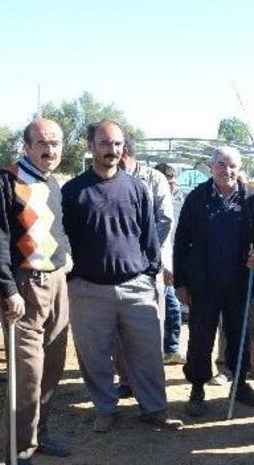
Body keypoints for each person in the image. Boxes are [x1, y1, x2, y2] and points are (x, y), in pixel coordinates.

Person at [62, 119, 181, 433]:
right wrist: (73, 279)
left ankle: (154, 409)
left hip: (136, 287)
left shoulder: (136, 188)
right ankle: (105, 409)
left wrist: (150, 272)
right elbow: (63, 239)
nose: (112, 150)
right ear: (90, 146)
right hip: (88, 290)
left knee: (148, 354)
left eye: (117, 144)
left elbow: (150, 236)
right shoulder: (72, 191)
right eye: (104, 143)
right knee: (94, 357)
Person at [0, 118, 73, 463]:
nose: (50, 150)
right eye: (43, 143)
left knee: (53, 366)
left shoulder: (52, 182)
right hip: (24, 287)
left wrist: (66, 255)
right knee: (28, 374)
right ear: (27, 146)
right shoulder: (6, 181)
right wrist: (7, 289)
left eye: (56, 143)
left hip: (57, 282)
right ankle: (19, 451)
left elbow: (58, 227)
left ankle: (39, 433)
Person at [173, 146, 254, 417]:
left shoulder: (253, 199)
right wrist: (180, 282)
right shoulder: (197, 198)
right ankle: (197, 388)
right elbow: (181, 242)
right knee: (200, 338)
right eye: (221, 165)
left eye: (232, 166)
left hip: (241, 283)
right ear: (211, 167)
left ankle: (240, 385)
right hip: (203, 284)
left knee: (241, 336)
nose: (227, 171)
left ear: (239, 168)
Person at [112, 136, 174, 397]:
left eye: (116, 148)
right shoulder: (108, 178)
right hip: (116, 268)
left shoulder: (154, 179)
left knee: (150, 327)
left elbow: (164, 220)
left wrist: (143, 255)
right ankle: (126, 380)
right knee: (118, 328)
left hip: (147, 267)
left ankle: (149, 384)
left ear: (125, 151)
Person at [153, 162, 186, 365]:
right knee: (162, 310)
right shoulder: (151, 203)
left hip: (170, 263)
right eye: (167, 183)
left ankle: (170, 349)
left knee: (172, 308)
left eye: (172, 183)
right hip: (156, 265)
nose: (171, 187)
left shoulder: (178, 202)